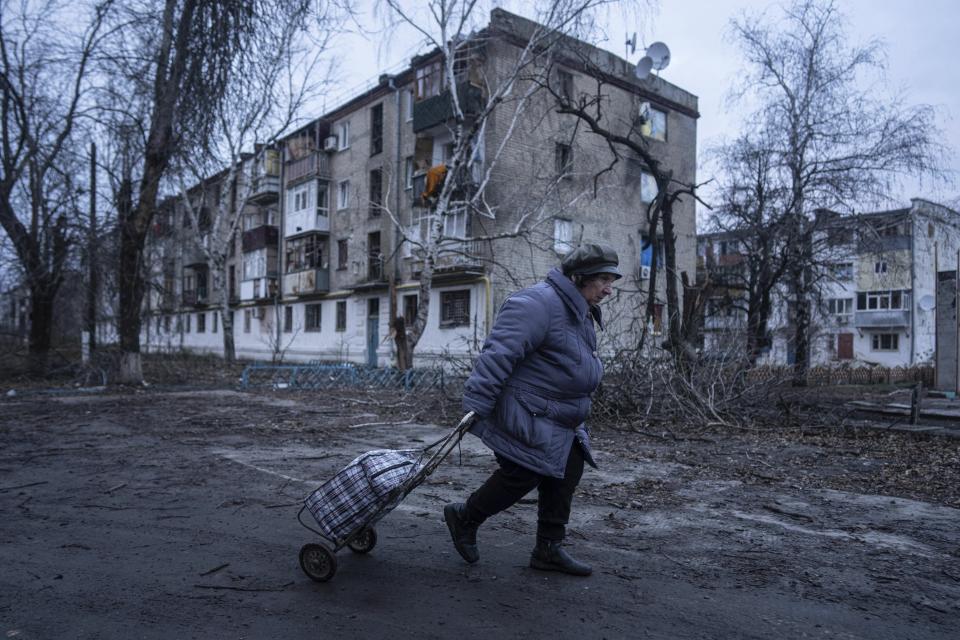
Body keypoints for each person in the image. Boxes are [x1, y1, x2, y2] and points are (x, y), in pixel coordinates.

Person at [444, 243, 621, 576]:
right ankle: (464, 517)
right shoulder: (537, 303)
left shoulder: (577, 308)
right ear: (580, 277)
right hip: (525, 410)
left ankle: (548, 549)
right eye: (603, 280)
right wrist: (477, 405)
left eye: (611, 281)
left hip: (557, 415)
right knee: (524, 472)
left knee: (569, 466)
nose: (609, 290)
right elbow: (498, 354)